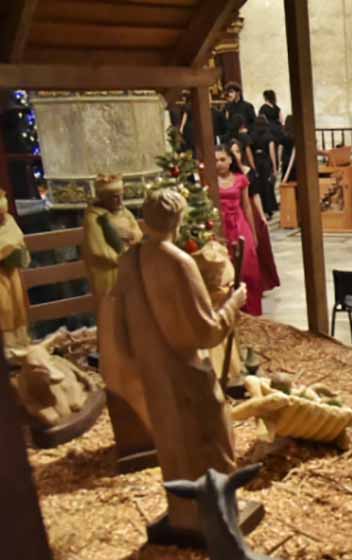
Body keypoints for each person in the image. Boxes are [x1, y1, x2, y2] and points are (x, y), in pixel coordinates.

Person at [99, 188, 246, 537]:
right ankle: (217, 514)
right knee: (212, 440)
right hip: (186, 372)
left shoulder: (130, 261)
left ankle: (184, 513)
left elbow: (121, 325)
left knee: (172, 444)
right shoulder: (179, 263)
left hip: (153, 371)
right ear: (178, 220)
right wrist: (234, 302)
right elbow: (206, 332)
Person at [81, 174, 143, 307]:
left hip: (130, 268)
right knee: (114, 308)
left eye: (121, 195)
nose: (119, 200)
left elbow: (138, 233)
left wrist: (132, 234)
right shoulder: (94, 218)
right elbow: (98, 250)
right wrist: (123, 258)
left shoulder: (125, 212)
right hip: (110, 273)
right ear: (103, 198)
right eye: (114, 197)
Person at [215, 145, 263, 315]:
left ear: (230, 160)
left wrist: (253, 233)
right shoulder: (210, 180)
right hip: (221, 226)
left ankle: (252, 310)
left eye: (222, 159)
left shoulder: (241, 179)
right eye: (215, 160)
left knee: (248, 267)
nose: (219, 163)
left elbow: (247, 206)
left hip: (239, 223)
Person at [229, 140, 280, 293]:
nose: (236, 155)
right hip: (234, 210)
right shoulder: (229, 175)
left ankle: (260, 282)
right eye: (233, 152)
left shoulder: (248, 171)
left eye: (238, 151)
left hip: (250, 208)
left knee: (258, 245)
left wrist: (262, 214)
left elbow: (255, 194)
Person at [0, 189, 29, 347]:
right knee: (4, 309)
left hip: (11, 272)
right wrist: (8, 246)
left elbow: (16, 237)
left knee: (17, 306)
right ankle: (7, 347)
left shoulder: (8, 220)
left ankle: (20, 344)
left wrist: (11, 246)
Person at [247, 116, 280, 218]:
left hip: (256, 161)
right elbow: (272, 152)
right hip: (266, 162)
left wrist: (252, 166)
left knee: (259, 186)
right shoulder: (269, 136)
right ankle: (269, 209)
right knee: (267, 186)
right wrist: (274, 167)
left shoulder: (252, 136)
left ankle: (261, 210)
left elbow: (249, 153)